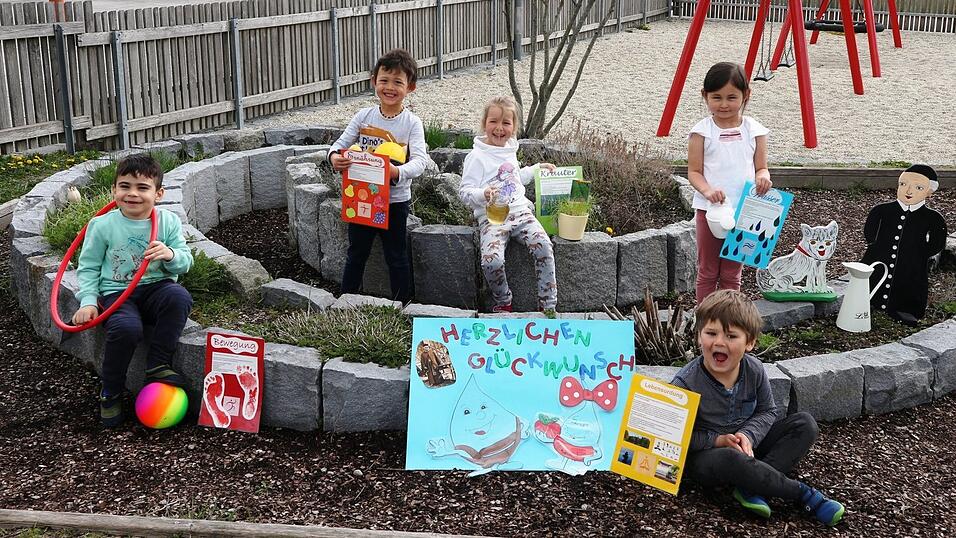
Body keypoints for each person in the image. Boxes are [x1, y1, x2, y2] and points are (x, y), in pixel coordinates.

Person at [671, 290, 844, 526]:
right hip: (708, 458)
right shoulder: (685, 383)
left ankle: (750, 487)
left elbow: (767, 411)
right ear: (699, 336)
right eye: (711, 333)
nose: (719, 342)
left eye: (731, 336)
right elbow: (676, 437)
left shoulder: (754, 369)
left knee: (805, 424)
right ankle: (803, 494)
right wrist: (718, 440)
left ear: (750, 342)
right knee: (730, 458)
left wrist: (748, 435)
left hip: (747, 447)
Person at [72, 154, 194, 428]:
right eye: (125, 186)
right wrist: (88, 301)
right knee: (126, 328)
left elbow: (185, 262)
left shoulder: (168, 221)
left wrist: (170, 254)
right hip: (117, 293)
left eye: (142, 187)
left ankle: (158, 364)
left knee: (179, 297)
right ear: (114, 190)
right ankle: (110, 392)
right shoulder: (102, 225)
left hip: (156, 288)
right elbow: (88, 268)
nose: (133, 194)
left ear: (158, 194)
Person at [328, 48, 431, 303]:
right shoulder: (364, 116)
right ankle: (346, 301)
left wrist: (396, 171)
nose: (390, 87)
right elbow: (338, 145)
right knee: (356, 252)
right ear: (374, 81)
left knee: (396, 255)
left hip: (395, 201)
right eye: (384, 80)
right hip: (361, 198)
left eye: (398, 82)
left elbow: (420, 162)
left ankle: (402, 305)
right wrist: (334, 158)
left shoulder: (412, 123)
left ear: (410, 87)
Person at [458, 95, 558, 315]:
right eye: (493, 121)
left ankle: (548, 304)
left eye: (506, 123)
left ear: (514, 127)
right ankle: (503, 300)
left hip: (522, 213)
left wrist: (536, 169)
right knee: (491, 262)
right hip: (492, 219)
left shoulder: (509, 149)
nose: (499, 128)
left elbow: (514, 177)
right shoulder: (476, 156)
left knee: (544, 246)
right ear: (484, 123)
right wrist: (483, 194)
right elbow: (464, 192)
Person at [687, 61, 772, 304]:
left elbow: (761, 167)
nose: (724, 104)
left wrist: (763, 178)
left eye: (731, 97)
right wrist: (707, 191)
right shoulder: (701, 132)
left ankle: (730, 317)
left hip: (745, 211)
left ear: (746, 95)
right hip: (710, 211)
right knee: (707, 270)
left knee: (732, 273)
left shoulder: (755, 130)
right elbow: (694, 171)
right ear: (705, 95)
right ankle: (705, 317)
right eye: (717, 97)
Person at [861, 164, 947, 326]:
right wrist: (876, 246)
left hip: (912, 262)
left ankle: (905, 309)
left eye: (918, 187)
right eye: (903, 184)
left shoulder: (933, 218)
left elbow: (937, 242)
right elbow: (870, 232)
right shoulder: (882, 210)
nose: (909, 191)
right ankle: (870, 301)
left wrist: (919, 254)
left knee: (909, 282)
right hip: (879, 257)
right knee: (873, 277)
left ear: (929, 191)